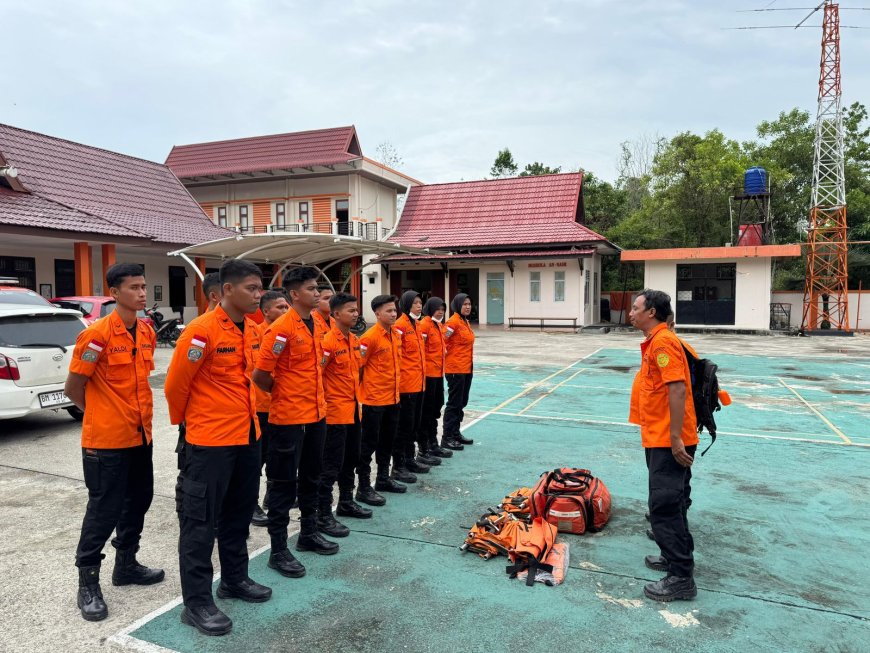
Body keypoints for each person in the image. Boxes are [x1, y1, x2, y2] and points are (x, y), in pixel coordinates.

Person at [165, 259, 272, 636]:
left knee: (238, 515)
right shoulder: (201, 331)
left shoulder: (254, 329)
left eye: (260, 289)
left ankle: (235, 579)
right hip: (209, 442)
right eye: (251, 289)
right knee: (199, 523)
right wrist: (193, 426)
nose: (258, 295)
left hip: (247, 436)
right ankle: (196, 603)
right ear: (227, 290)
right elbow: (175, 386)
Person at [64, 263, 163, 622]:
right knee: (103, 511)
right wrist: (100, 416)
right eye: (134, 287)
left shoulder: (147, 331)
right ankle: (88, 582)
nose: (141, 293)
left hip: (140, 436)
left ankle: (126, 565)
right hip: (106, 442)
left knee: (139, 502)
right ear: (115, 293)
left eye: (143, 286)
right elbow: (73, 388)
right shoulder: (96, 336)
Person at [254, 266, 339, 573]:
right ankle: (278, 550)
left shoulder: (316, 325)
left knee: (312, 478)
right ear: (294, 294)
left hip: (316, 415)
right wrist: (285, 393)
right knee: (282, 485)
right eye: (312, 289)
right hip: (288, 419)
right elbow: (260, 375)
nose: (318, 294)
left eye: (318, 289)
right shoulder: (280, 328)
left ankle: (308, 533)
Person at [628, 289, 698, 602]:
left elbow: (678, 389)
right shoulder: (657, 340)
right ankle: (674, 557)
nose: (631, 312)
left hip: (668, 439)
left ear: (652, 312)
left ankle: (681, 577)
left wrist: (674, 438)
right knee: (674, 501)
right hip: (659, 435)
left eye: (636, 308)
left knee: (664, 506)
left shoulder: (664, 342)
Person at [318, 292, 372, 536]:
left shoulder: (353, 340)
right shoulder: (326, 343)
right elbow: (317, 377)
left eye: (356, 309)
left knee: (351, 459)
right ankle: (323, 514)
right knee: (330, 467)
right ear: (336, 314)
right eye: (351, 310)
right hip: (334, 415)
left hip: (353, 411)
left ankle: (346, 501)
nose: (356, 314)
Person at [355, 294, 405, 505]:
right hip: (374, 401)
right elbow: (357, 367)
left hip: (393, 398)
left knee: (388, 441)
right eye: (389, 311)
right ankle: (364, 487)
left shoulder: (395, 335)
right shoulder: (369, 337)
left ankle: (383, 479)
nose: (393, 314)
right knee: (368, 445)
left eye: (395, 310)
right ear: (377, 314)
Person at [251, 290, 290, 527]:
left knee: (276, 456)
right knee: (256, 459)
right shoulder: (255, 334)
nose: (285, 312)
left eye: (287, 308)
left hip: (280, 407)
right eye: (280, 308)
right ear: (266, 311)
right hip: (259, 406)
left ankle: (269, 496)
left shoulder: (286, 335)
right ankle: (250, 503)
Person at [393, 290, 438, 483]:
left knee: (414, 425)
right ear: (406, 305)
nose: (419, 306)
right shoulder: (400, 326)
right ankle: (399, 465)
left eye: (420, 303)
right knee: (404, 427)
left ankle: (410, 459)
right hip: (406, 386)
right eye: (415, 303)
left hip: (419, 384)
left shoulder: (417, 325)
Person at [418, 297, 452, 459]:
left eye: (443, 309)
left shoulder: (438, 325)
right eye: (438, 308)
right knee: (427, 411)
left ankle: (433, 443)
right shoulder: (424, 325)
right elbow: (421, 350)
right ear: (430, 308)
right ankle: (425, 447)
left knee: (436, 408)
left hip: (438, 374)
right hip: (428, 376)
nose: (441, 311)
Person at [443, 293, 475, 450]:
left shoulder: (464, 322)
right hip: (455, 369)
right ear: (457, 305)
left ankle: (455, 433)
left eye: (469, 304)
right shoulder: (452, 323)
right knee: (454, 403)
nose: (468, 306)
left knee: (462, 402)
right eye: (464, 304)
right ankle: (447, 437)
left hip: (466, 368)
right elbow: (442, 342)